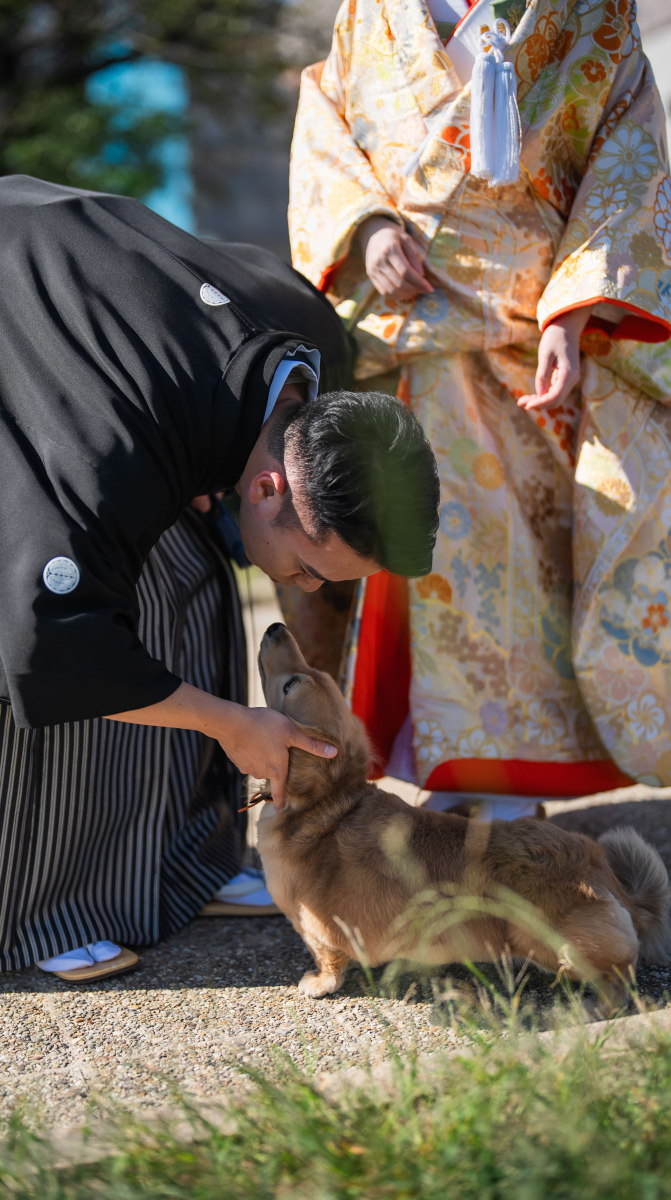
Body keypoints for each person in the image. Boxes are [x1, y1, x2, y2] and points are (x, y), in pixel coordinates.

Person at [0, 174, 440, 978]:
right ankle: (37, 913)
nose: (308, 589)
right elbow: (59, 639)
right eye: (312, 570)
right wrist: (230, 724)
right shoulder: (107, 450)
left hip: (86, 333)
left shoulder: (306, 343)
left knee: (190, 580)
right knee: (33, 627)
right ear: (269, 486)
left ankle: (185, 866)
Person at [287, 0, 671, 817]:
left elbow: (624, 163)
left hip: (534, 329)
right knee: (419, 554)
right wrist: (368, 228)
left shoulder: (590, 11)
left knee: (518, 564)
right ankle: (443, 763)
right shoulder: (372, 10)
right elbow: (326, 113)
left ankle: (496, 779)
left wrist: (573, 311)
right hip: (415, 329)